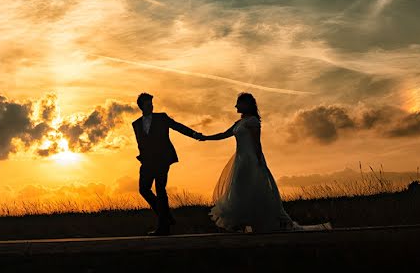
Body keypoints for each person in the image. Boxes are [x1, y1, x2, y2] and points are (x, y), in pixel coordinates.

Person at [200, 92, 332, 232]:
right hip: (240, 160)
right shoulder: (239, 123)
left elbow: (257, 143)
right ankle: (244, 223)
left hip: (251, 160)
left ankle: (275, 223)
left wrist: (258, 161)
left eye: (239, 103)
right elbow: (223, 135)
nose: (235, 106)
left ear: (247, 104)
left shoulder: (253, 122)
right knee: (239, 190)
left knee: (255, 189)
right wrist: (206, 138)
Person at [132, 92, 204, 236]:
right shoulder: (136, 124)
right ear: (141, 106)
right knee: (143, 189)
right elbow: (141, 143)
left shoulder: (162, 118)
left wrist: (195, 135)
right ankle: (166, 216)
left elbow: (178, 127)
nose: (151, 106)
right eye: (148, 104)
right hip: (147, 161)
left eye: (152, 103)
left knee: (160, 189)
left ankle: (163, 227)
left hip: (162, 159)